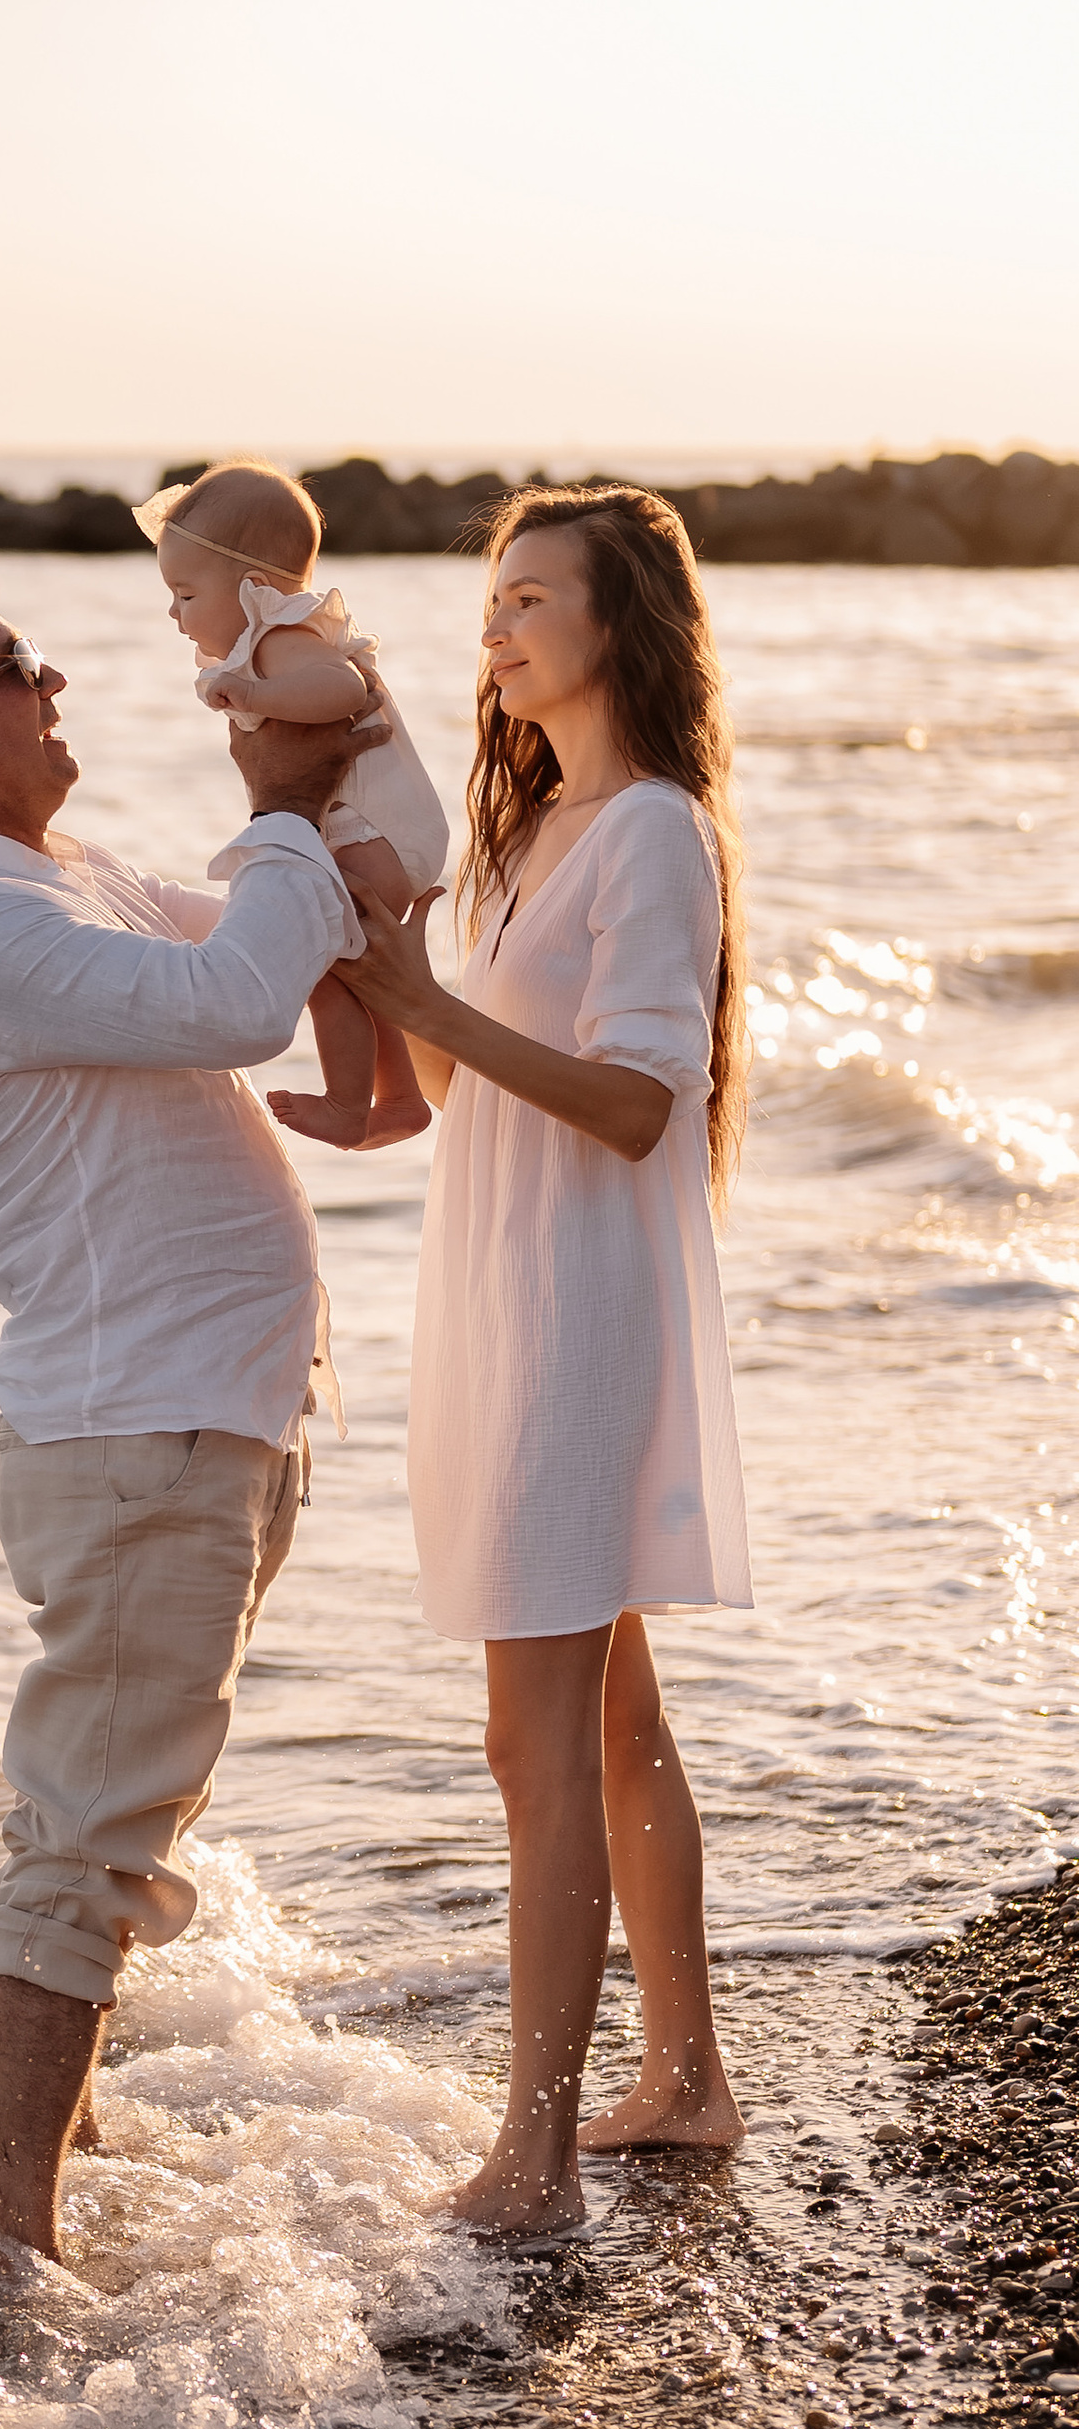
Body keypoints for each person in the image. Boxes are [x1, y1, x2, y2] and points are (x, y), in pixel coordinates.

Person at [0, 582, 369, 2266]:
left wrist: (322, 760)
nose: (53, 678)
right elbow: (239, 1000)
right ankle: (13, 2252)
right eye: (16, 667)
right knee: (85, 1842)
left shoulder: (65, 875)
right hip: (142, 1429)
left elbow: (298, 934)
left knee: (119, 1818)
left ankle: (60, 2150)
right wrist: (284, 804)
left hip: (209, 1414)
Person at [334, 485, 753, 2238]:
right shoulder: (532, 832)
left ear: (619, 623)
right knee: (613, 1708)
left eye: (529, 598)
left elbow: (642, 1099)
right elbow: (468, 1092)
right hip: (508, 1294)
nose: (494, 628)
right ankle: (689, 2078)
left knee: (535, 1738)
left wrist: (432, 1008)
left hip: (580, 1310)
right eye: (489, 601)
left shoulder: (651, 828)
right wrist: (389, 1015)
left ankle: (535, 2157)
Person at [137, 459, 452, 1149]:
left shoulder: (283, 637)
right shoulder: (275, 643)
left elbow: (342, 691)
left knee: (325, 967)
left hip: (375, 835)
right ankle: (399, 1099)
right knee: (356, 968)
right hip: (376, 835)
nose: (174, 612)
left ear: (252, 588)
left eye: (186, 593)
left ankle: (349, 1104)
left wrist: (256, 696)